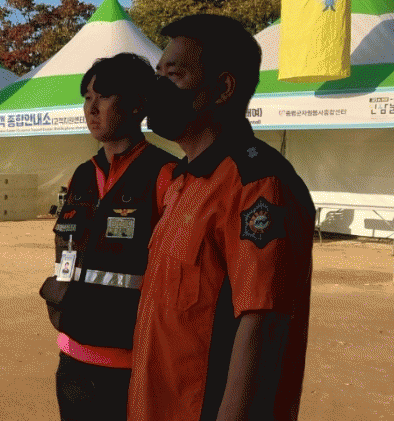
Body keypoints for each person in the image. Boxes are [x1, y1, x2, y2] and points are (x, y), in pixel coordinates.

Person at [127, 15, 316, 421]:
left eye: (174, 75)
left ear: (223, 88)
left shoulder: (257, 184)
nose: (158, 87)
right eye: (158, 74)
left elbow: (262, 325)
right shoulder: (184, 181)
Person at [39, 52, 177, 421]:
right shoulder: (82, 176)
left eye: (104, 96)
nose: (92, 107)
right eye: (87, 97)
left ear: (136, 105)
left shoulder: (166, 175)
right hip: (72, 359)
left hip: (132, 364)